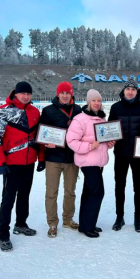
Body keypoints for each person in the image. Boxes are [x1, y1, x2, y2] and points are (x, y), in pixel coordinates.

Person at [0, 81, 44, 252]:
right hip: (11, 163)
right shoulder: (3, 111)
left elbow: (39, 136)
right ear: (15, 94)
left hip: (29, 162)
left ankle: (21, 224)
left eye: (29, 93)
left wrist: (41, 158)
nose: (26, 96)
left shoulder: (35, 111)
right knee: (8, 199)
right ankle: (3, 234)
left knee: (24, 195)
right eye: (23, 93)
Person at [66, 89, 115, 238]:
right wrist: (89, 146)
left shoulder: (102, 119)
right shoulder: (80, 119)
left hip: (98, 162)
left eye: (98, 100)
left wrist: (108, 144)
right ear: (88, 102)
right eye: (93, 100)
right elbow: (71, 141)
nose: (96, 103)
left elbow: (102, 141)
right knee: (97, 192)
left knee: (88, 192)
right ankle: (88, 226)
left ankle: (86, 224)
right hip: (87, 162)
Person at [37, 81, 82, 238]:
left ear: (71, 94)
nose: (64, 95)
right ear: (58, 94)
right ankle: (52, 223)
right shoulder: (48, 111)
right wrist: (45, 142)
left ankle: (68, 220)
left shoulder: (78, 110)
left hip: (71, 159)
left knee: (70, 192)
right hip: (53, 159)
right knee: (51, 192)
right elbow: (41, 132)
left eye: (67, 93)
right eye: (62, 93)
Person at [108, 79, 140, 232]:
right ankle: (120, 217)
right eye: (128, 89)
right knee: (120, 186)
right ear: (124, 91)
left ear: (137, 92)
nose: (130, 92)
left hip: (138, 155)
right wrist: (110, 140)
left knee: (138, 187)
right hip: (121, 153)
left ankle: (137, 217)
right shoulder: (116, 107)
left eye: (133, 89)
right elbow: (109, 128)